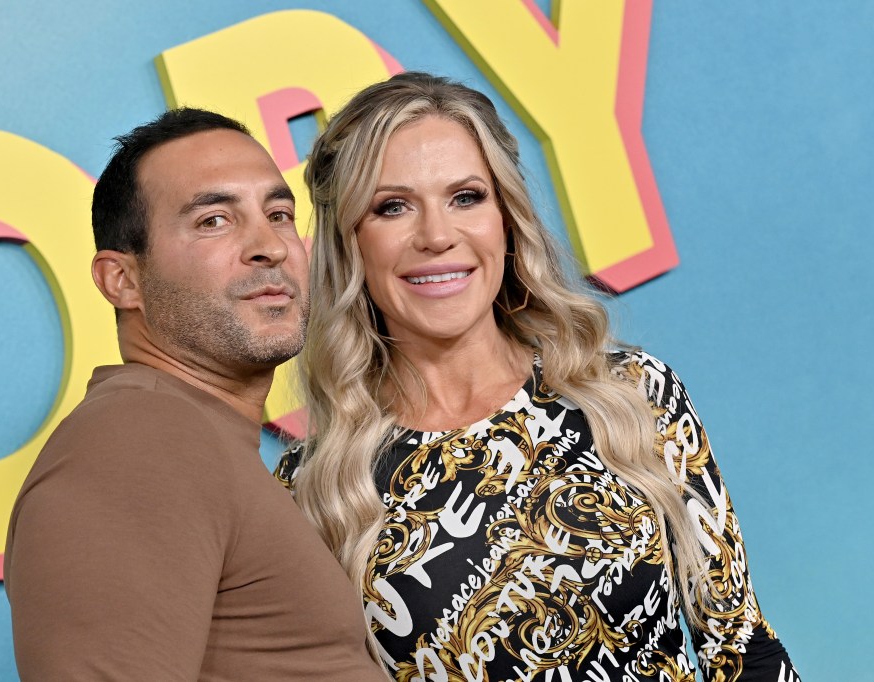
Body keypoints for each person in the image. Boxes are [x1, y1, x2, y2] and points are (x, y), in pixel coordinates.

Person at [277, 73, 800, 681]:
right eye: (392, 207)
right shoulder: (314, 490)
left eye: (466, 197)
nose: (437, 236)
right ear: (350, 242)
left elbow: (742, 647)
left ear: (506, 218)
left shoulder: (631, 394)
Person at [4, 107, 385, 681]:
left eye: (279, 214)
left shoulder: (192, 439)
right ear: (122, 280)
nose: (270, 246)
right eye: (214, 220)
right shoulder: (137, 441)